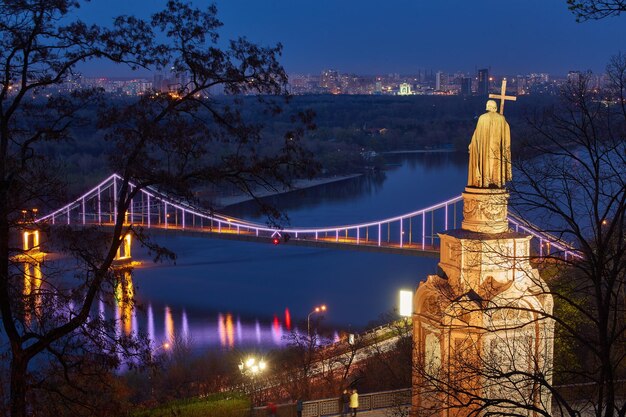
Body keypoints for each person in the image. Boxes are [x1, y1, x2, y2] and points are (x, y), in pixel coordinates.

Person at [467, 100, 512, 188]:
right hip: (497, 147)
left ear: (488, 106)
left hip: (485, 149)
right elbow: (506, 134)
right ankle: (497, 181)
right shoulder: (502, 118)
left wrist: (472, 144)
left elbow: (477, 135)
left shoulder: (483, 118)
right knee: (497, 162)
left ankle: (485, 181)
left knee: (485, 162)